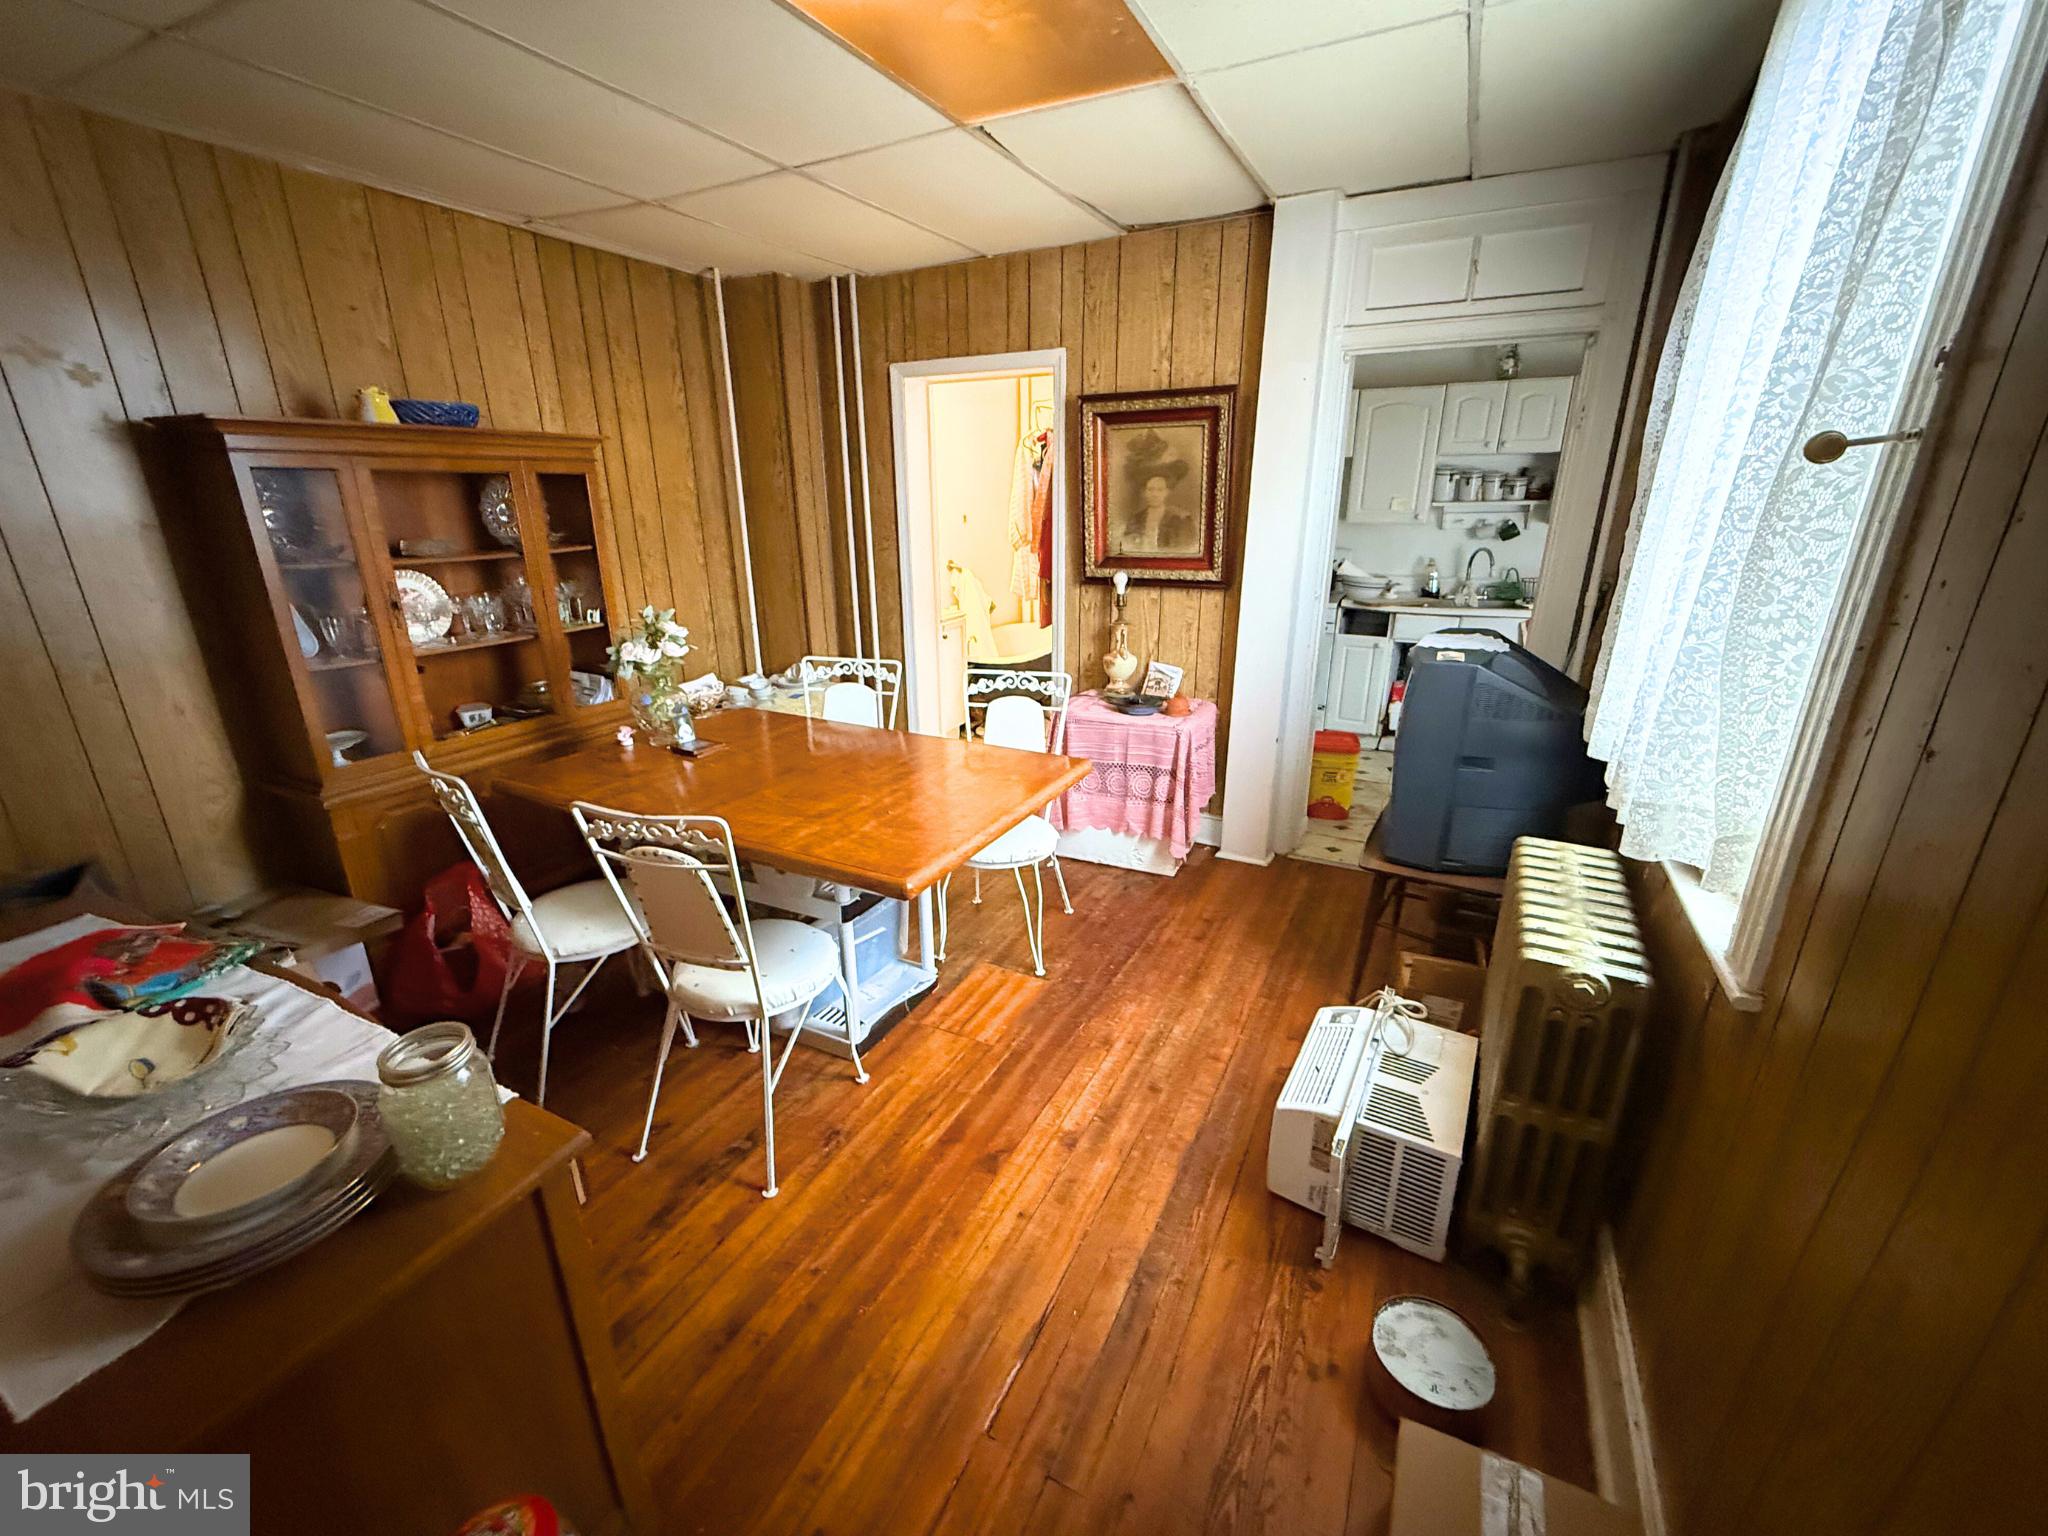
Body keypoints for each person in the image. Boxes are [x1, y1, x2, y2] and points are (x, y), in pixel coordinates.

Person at [1109, 437, 1198, 556]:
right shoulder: (1135, 520)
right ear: (1145, 492)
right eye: (1150, 489)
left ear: (1167, 492)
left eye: (1160, 490)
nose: (1155, 494)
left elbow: (1185, 551)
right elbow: (1125, 548)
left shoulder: (1180, 519)